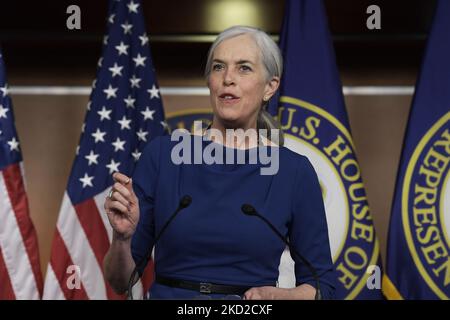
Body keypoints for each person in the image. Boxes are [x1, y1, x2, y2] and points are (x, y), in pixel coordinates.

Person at [103, 25, 336, 299]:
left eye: (244, 68)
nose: (228, 78)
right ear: (209, 81)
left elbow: (323, 288)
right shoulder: (162, 157)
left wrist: (275, 296)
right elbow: (121, 281)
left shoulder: (293, 172)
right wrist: (122, 238)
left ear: (270, 87)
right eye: (218, 67)